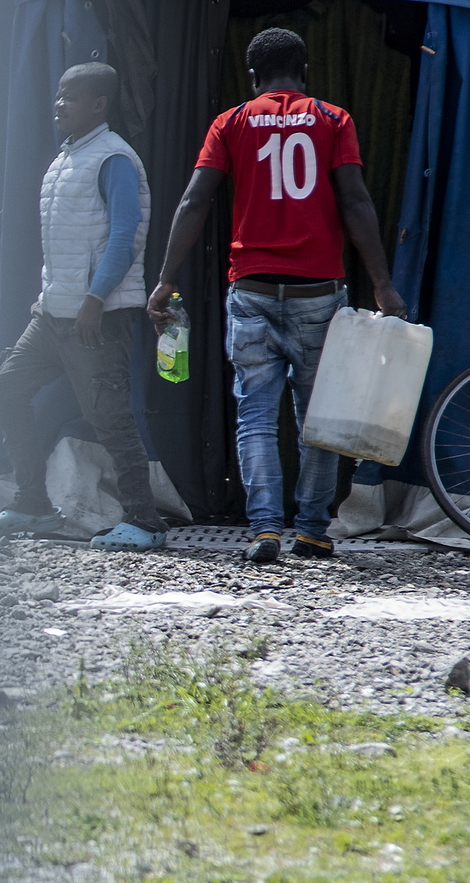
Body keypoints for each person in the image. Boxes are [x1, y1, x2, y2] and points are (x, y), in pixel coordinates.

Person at [146, 28, 406, 564]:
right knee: (319, 417)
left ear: (253, 76)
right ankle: (312, 529)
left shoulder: (232, 121)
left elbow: (195, 201)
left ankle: (265, 530)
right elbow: (356, 202)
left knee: (257, 416)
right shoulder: (334, 120)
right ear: (305, 71)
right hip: (319, 292)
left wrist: (167, 277)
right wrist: (382, 283)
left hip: (253, 290)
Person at [0, 63, 166, 551]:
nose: (59, 104)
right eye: (58, 95)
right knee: (8, 387)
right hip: (53, 313)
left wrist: (94, 299)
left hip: (95, 316)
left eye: (72, 97)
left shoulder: (113, 158)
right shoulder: (66, 158)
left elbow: (125, 236)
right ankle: (34, 504)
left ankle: (143, 521)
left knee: (110, 418)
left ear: (99, 104)